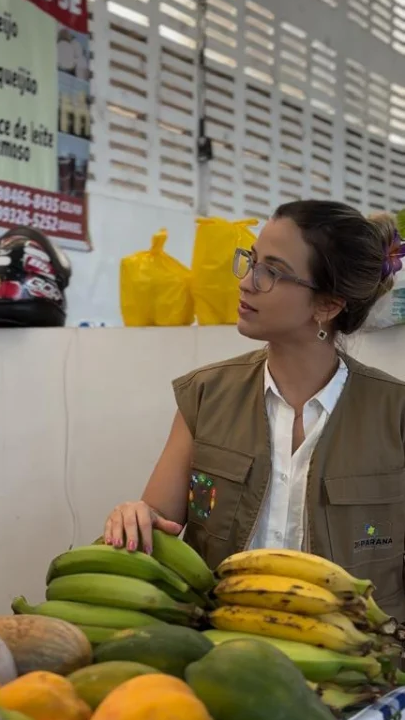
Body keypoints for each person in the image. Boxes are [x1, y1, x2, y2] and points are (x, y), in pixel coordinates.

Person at [103, 201, 405, 617]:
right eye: (251, 261)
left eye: (272, 272)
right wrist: (134, 516)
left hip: (358, 651)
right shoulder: (206, 395)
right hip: (221, 644)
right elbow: (159, 525)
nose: (246, 282)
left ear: (328, 305)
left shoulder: (395, 413)